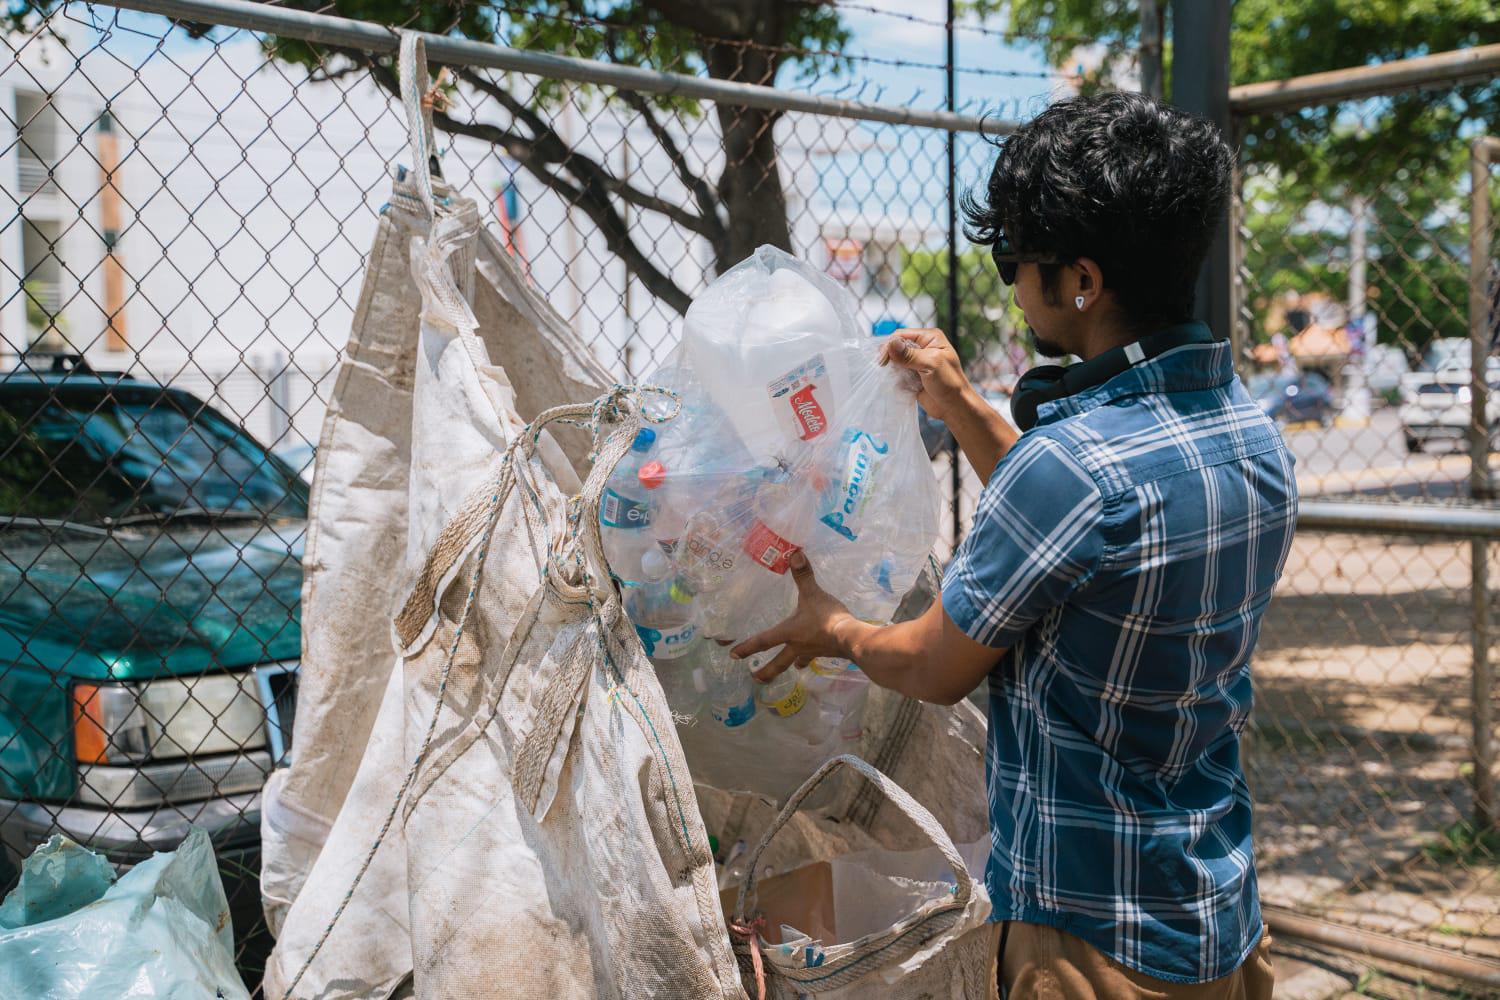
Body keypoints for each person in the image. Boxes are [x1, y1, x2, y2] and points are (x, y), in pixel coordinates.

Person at [731, 91, 1295, 998]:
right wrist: (958, 402)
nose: (1009, 281)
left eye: (1015, 261)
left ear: (1080, 280)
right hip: (1219, 910)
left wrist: (829, 626)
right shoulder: (1247, 435)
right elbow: (1085, 528)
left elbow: (931, 667)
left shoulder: (1073, 468)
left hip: (1092, 939)